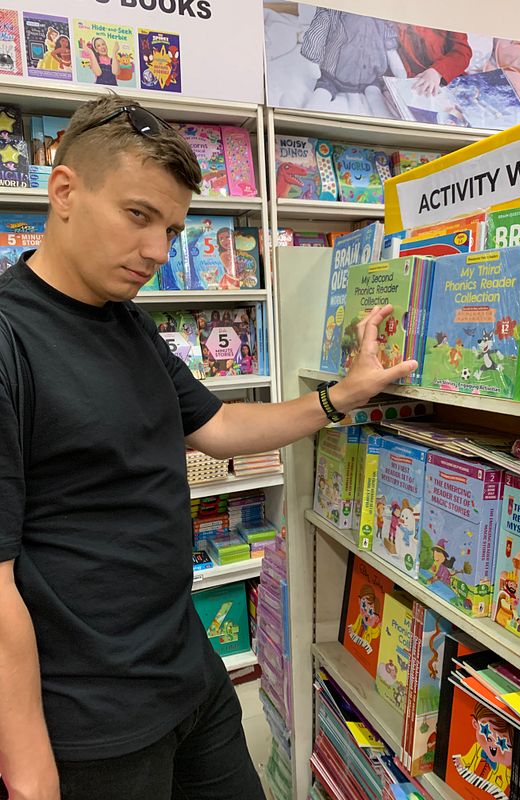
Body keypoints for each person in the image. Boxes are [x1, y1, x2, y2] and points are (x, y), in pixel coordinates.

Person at [0, 94, 417, 800]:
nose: (159, 252)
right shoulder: (11, 339)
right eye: (138, 216)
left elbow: (217, 426)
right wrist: (29, 763)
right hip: (92, 722)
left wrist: (338, 397)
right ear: (64, 191)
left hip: (189, 673)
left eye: (172, 228)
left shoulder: (123, 322)